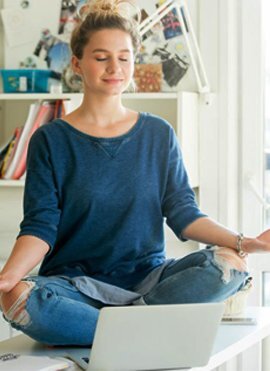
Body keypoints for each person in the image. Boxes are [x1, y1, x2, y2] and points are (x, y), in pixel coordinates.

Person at [0, 0, 270, 346]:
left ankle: (113, 331)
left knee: (230, 266)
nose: (115, 67)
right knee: (18, 299)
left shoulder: (159, 134)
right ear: (77, 63)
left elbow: (184, 214)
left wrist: (245, 242)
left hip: (150, 280)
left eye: (124, 57)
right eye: (101, 57)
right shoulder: (50, 140)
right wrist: (8, 278)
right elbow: (40, 227)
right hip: (76, 287)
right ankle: (145, 330)